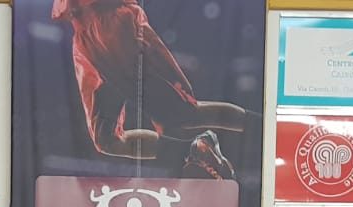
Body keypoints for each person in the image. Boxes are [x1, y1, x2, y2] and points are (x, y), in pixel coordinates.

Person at [51, 0, 246, 178]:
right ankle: (195, 149)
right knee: (106, 140)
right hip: (84, 32)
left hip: (108, 23)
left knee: (184, 115)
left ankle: (257, 127)